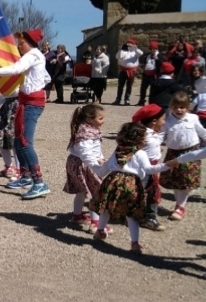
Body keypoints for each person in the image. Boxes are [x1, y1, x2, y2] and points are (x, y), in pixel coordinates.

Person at [0, 30, 51, 199]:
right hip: (26, 101)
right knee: (18, 140)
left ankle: (39, 182)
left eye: (21, 42)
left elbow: (17, 68)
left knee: (25, 142)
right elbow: (46, 77)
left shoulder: (33, 55)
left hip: (31, 102)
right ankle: (25, 176)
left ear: (30, 42)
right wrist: (32, 84)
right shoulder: (35, 56)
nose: (18, 45)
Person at [91, 122, 177, 254]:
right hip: (131, 185)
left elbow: (104, 170)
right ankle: (134, 243)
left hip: (112, 182)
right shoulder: (141, 153)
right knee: (132, 213)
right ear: (140, 139)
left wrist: (93, 165)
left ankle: (100, 231)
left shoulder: (118, 151)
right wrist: (166, 165)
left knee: (106, 208)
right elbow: (149, 169)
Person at [159, 91, 206, 221]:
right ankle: (179, 204)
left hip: (191, 152)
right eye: (175, 107)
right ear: (171, 107)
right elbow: (160, 135)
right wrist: (155, 146)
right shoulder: (167, 121)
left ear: (188, 107)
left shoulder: (193, 118)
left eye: (182, 107)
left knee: (186, 180)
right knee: (176, 180)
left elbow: (202, 132)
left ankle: (180, 206)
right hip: (173, 153)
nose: (179, 110)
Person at [63, 104, 105, 231]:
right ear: (89, 119)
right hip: (85, 165)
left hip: (79, 163)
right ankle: (96, 223)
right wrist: (95, 165)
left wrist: (100, 157)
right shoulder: (86, 133)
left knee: (81, 191)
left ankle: (77, 216)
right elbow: (86, 153)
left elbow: (95, 149)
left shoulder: (86, 129)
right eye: (100, 118)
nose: (103, 121)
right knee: (95, 192)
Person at [131, 104, 167, 231]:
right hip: (143, 169)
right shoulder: (143, 135)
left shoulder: (152, 133)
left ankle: (149, 217)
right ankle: (135, 216)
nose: (164, 122)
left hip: (153, 167)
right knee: (139, 192)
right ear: (154, 121)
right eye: (163, 119)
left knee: (153, 191)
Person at [136, 41, 162, 106]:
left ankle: (152, 102)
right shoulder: (147, 55)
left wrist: (157, 59)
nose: (152, 50)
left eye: (154, 49)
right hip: (146, 74)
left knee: (153, 89)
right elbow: (145, 62)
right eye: (151, 49)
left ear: (156, 49)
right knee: (143, 88)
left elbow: (162, 64)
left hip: (154, 75)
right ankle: (142, 100)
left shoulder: (159, 55)